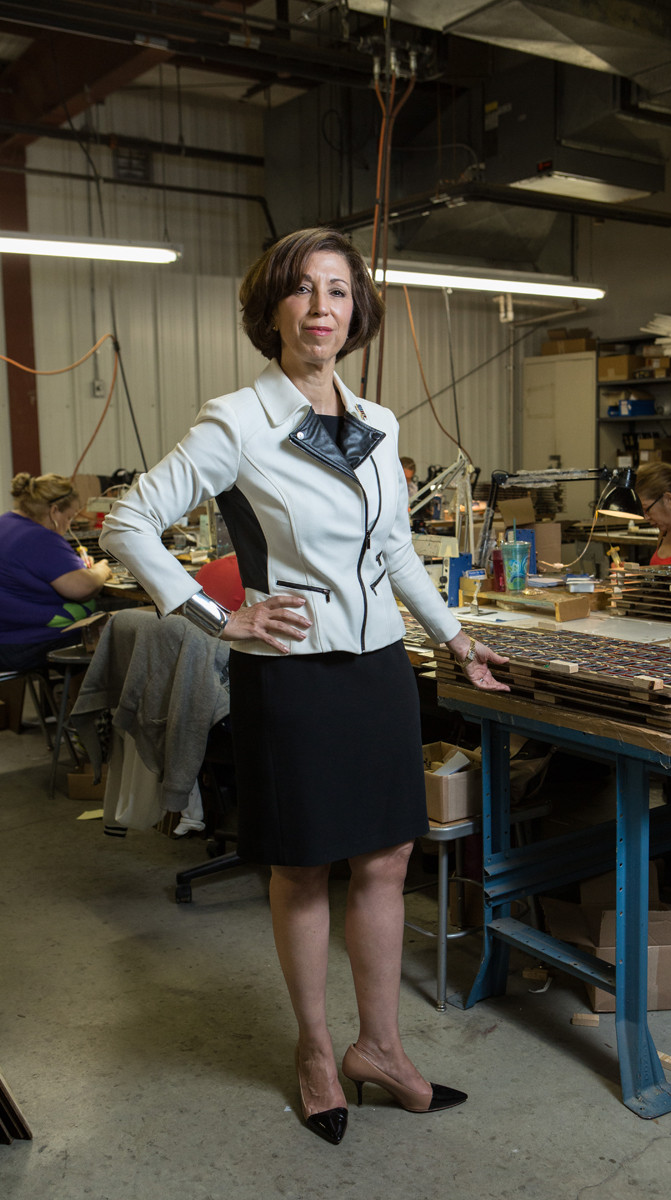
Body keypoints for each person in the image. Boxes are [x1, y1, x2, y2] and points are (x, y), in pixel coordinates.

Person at [99, 227, 508, 1146]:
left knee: (388, 859)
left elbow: (395, 546)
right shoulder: (237, 421)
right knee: (303, 866)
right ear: (272, 309)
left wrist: (454, 637)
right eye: (303, 290)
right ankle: (319, 1053)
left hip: (375, 670)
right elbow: (130, 522)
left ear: (355, 311)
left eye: (338, 290)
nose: (322, 307)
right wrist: (217, 616)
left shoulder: (380, 422)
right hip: (291, 677)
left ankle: (384, 1049)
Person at [0, 472, 112, 672]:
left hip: (8, 638)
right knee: (112, 635)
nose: (69, 526)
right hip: (22, 644)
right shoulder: (39, 537)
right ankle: (79, 702)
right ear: (54, 511)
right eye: (69, 517)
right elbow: (82, 588)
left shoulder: (6, 523)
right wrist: (100, 570)